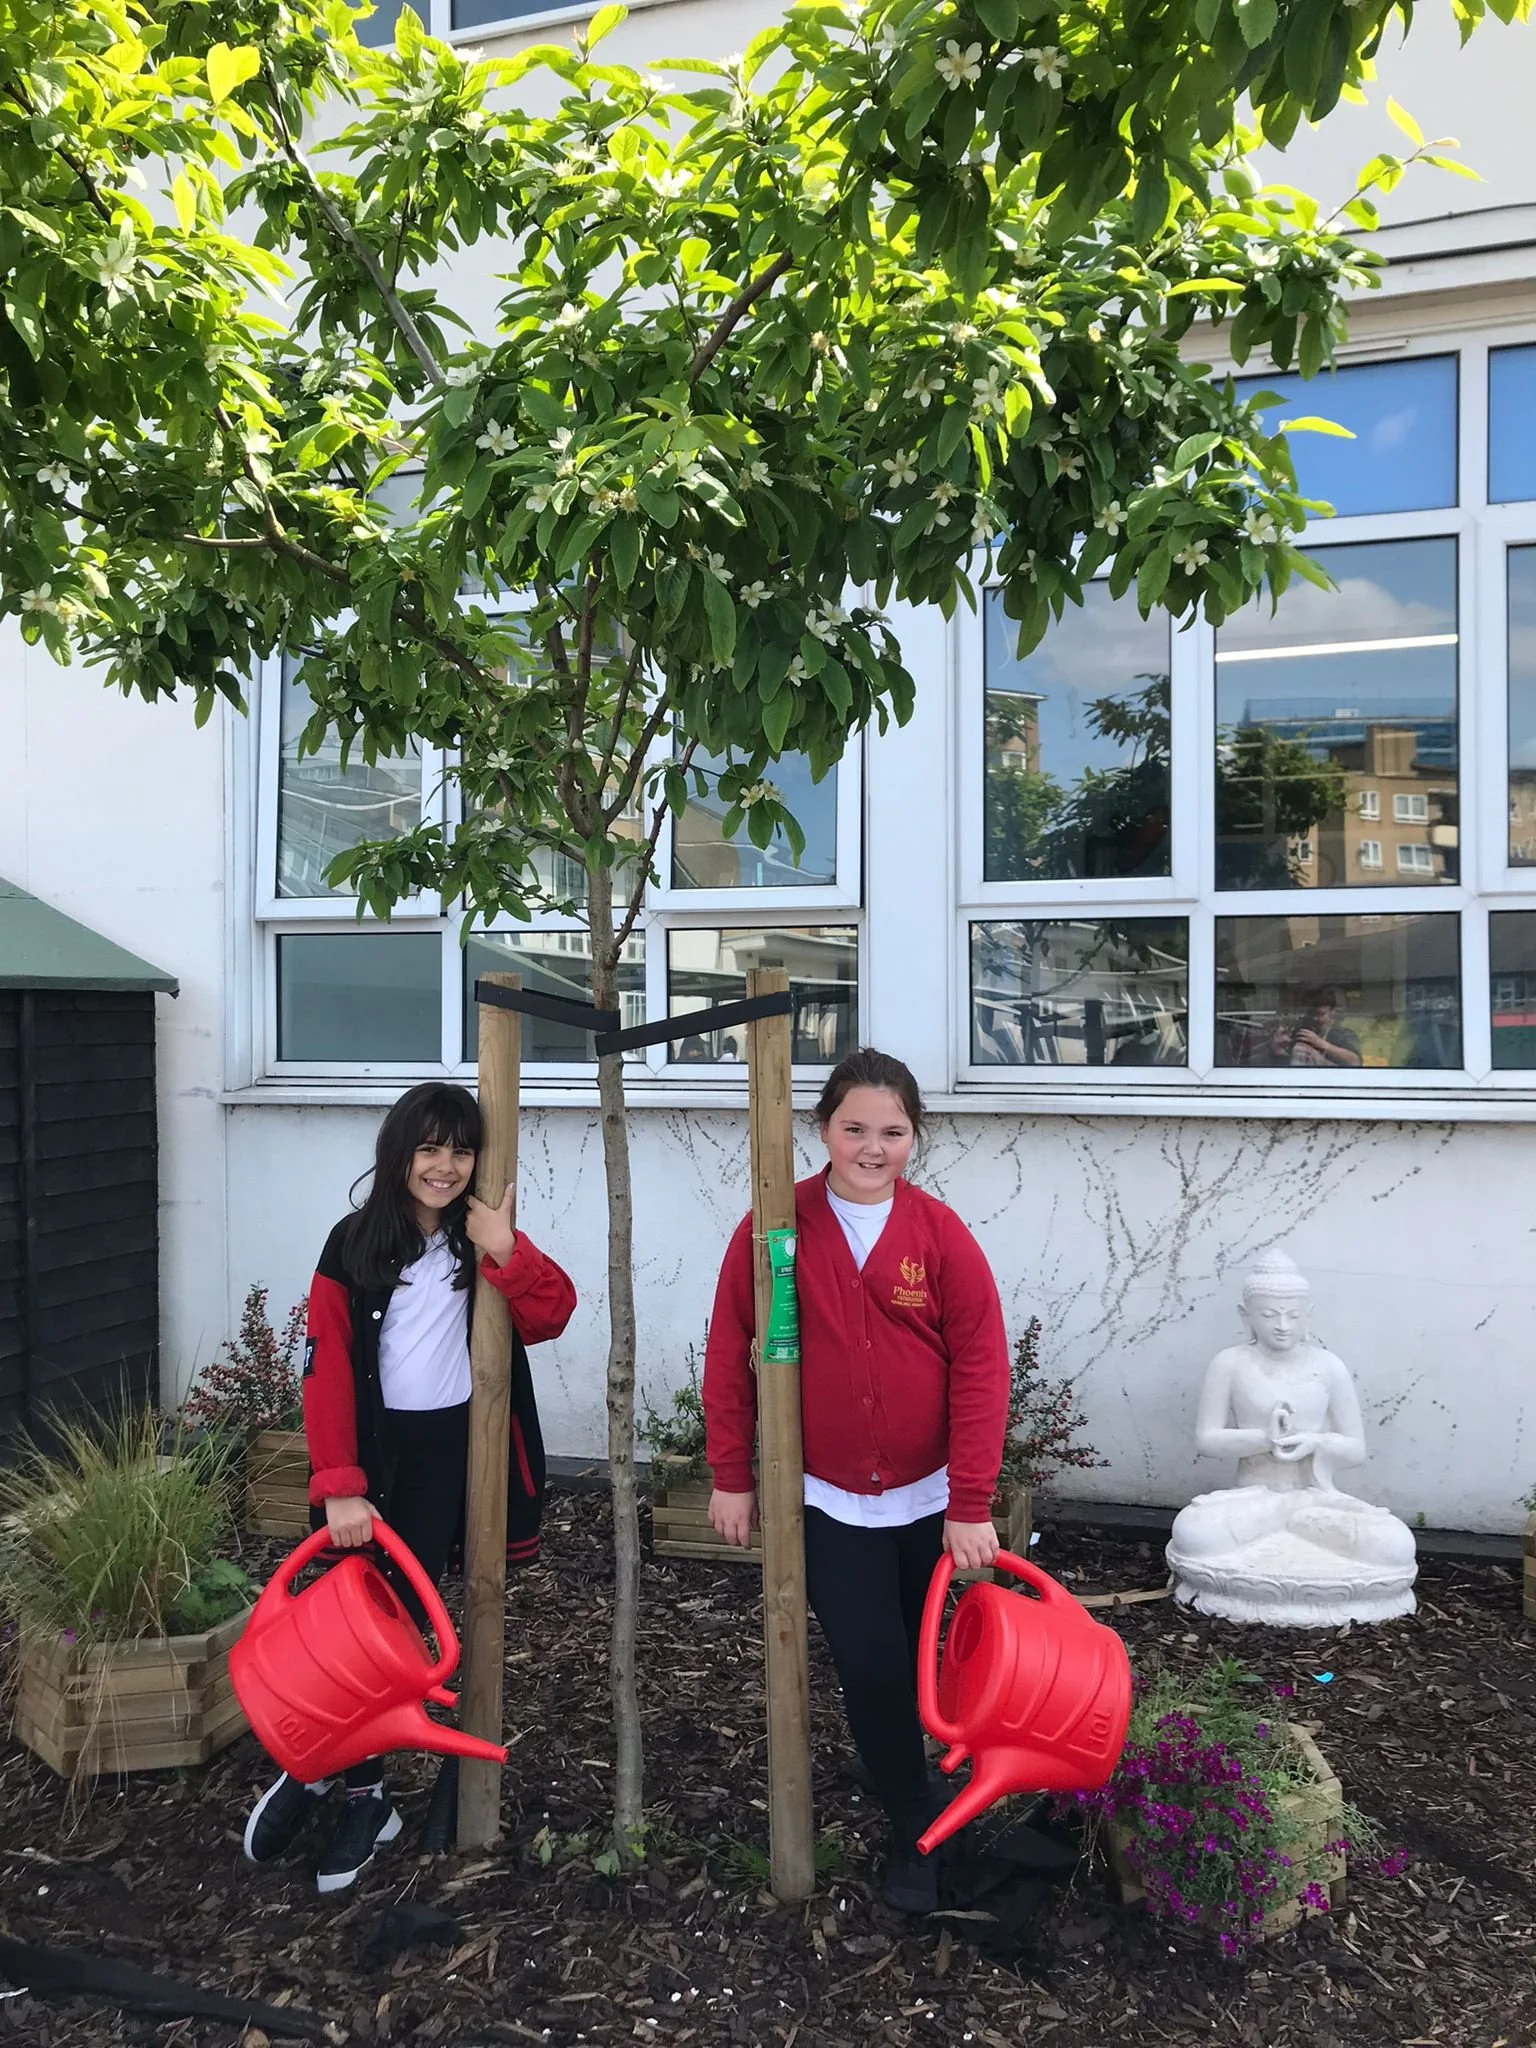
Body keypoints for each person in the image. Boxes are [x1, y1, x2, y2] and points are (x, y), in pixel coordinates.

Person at [242, 1081, 576, 1894]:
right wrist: (342, 1485)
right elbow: (324, 1372)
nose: (445, 1166)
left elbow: (553, 1313)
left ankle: (349, 1782)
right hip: (371, 1465)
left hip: (446, 1463)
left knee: (394, 1637)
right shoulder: (352, 1243)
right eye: (429, 1148)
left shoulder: (476, 1242)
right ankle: (341, 1775)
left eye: (461, 1151)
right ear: (399, 1153)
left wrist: (505, 1248)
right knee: (340, 1626)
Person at [702, 1047, 1009, 1915]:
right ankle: (916, 1823)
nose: (874, 1148)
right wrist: (733, 1473)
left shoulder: (938, 1234)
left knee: (921, 1657)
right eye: (854, 1129)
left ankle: (900, 1762)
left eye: (894, 1132)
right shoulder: (776, 1226)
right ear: (823, 1130)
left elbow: (982, 1368)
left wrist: (971, 1501)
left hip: (927, 1497)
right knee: (870, 1658)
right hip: (829, 1499)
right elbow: (732, 1352)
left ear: (915, 1136)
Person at [1268, 985, 1363, 1069]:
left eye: (1321, 1014)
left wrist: (1319, 1044)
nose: (1315, 1019)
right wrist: (1277, 1050)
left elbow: (1355, 1062)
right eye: (1312, 1014)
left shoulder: (1342, 1035)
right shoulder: (1299, 1032)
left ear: (1332, 1013)